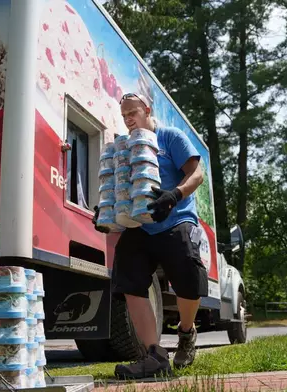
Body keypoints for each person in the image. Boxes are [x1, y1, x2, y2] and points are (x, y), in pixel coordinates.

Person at [92, 93, 208, 379]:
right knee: (128, 281)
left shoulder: (170, 137)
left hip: (176, 218)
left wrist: (174, 195)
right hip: (141, 225)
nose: (129, 119)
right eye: (124, 116)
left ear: (147, 110)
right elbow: (119, 185)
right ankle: (155, 356)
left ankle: (186, 331)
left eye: (133, 113)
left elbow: (197, 174)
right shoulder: (127, 146)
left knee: (189, 281)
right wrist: (105, 211)